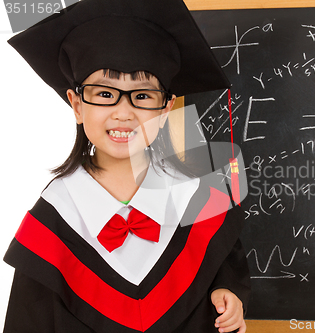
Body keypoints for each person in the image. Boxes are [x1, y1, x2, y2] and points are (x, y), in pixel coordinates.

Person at [2, 0, 250, 332]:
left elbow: (227, 266)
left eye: (143, 96)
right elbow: (27, 320)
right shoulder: (54, 215)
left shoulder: (198, 198)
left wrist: (229, 292)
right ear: (76, 105)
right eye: (105, 94)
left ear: (165, 111)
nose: (123, 112)